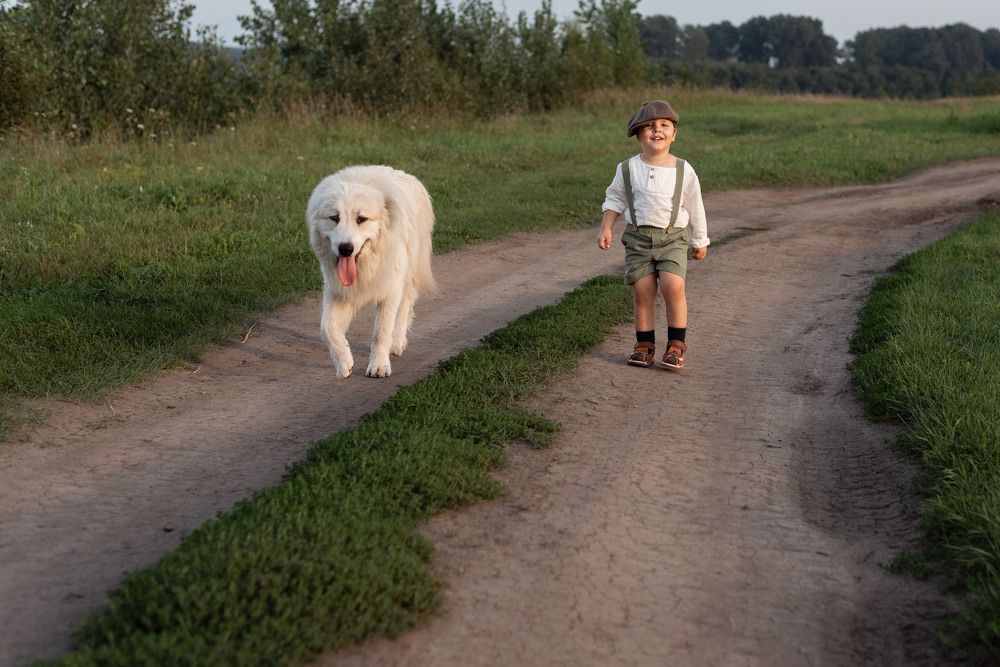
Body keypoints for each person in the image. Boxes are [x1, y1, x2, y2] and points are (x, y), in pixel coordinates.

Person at [598, 100, 709, 369]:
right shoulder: (627, 168)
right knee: (643, 291)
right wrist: (606, 226)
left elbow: (695, 205)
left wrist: (700, 240)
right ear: (637, 134)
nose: (656, 130)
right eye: (649, 126)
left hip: (673, 238)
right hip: (638, 239)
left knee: (673, 285)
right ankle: (644, 344)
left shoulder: (683, 169)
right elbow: (614, 199)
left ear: (674, 134)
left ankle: (676, 345)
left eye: (664, 126)